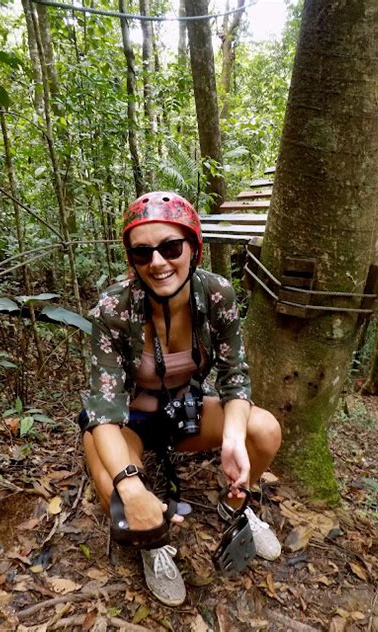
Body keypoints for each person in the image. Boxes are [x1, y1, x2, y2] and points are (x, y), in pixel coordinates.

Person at [81, 192, 282, 606]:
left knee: (262, 430)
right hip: (127, 424)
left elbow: (234, 378)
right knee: (119, 492)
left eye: (171, 247)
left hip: (184, 411)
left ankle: (238, 504)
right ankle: (151, 541)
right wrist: (132, 488)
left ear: (193, 248)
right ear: (131, 259)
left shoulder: (216, 295)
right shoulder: (113, 307)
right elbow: (103, 411)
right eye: (142, 253)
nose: (157, 262)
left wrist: (231, 439)